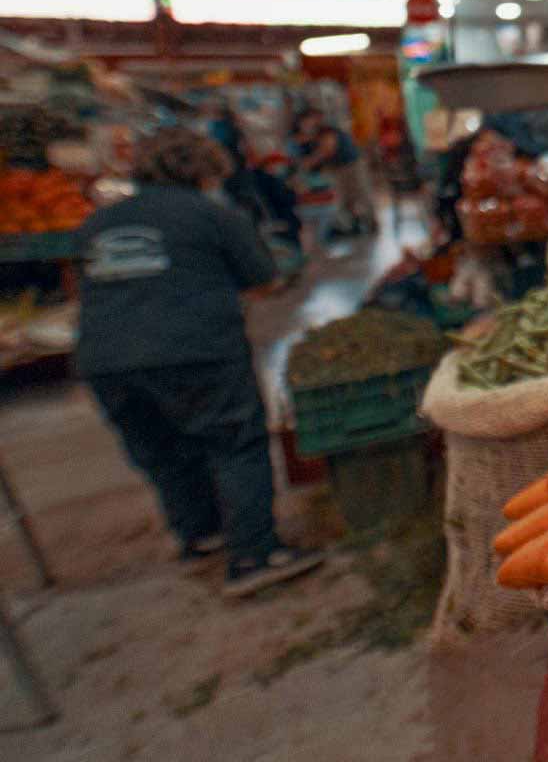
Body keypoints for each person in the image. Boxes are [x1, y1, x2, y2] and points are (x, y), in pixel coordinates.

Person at [74, 127, 323, 597]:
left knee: (163, 450)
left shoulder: (96, 224)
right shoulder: (212, 217)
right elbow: (264, 281)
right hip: (194, 350)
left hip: (105, 360)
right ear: (204, 170)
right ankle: (254, 556)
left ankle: (202, 535)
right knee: (234, 443)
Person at [294, 109, 378, 237]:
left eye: (307, 121)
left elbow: (327, 149)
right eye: (303, 122)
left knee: (361, 193)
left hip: (352, 164)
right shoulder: (311, 135)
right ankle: (355, 226)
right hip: (337, 169)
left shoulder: (327, 130)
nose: (306, 125)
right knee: (345, 199)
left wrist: (308, 162)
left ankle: (372, 224)